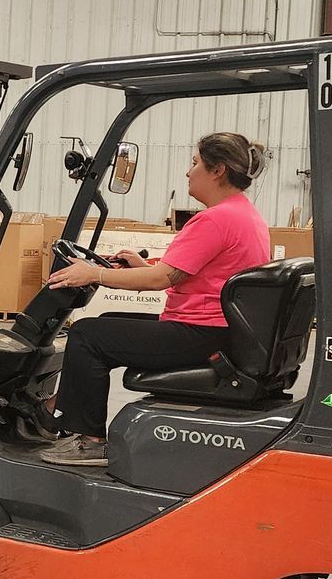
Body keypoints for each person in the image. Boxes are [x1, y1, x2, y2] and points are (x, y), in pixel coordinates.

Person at [41, 133, 273, 467]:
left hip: (202, 333)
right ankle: (58, 407)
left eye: (195, 163)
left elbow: (160, 279)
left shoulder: (214, 219)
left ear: (218, 170)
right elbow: (185, 272)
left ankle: (90, 439)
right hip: (220, 330)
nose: (188, 172)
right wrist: (141, 265)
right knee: (105, 324)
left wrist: (94, 275)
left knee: (86, 336)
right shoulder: (245, 215)